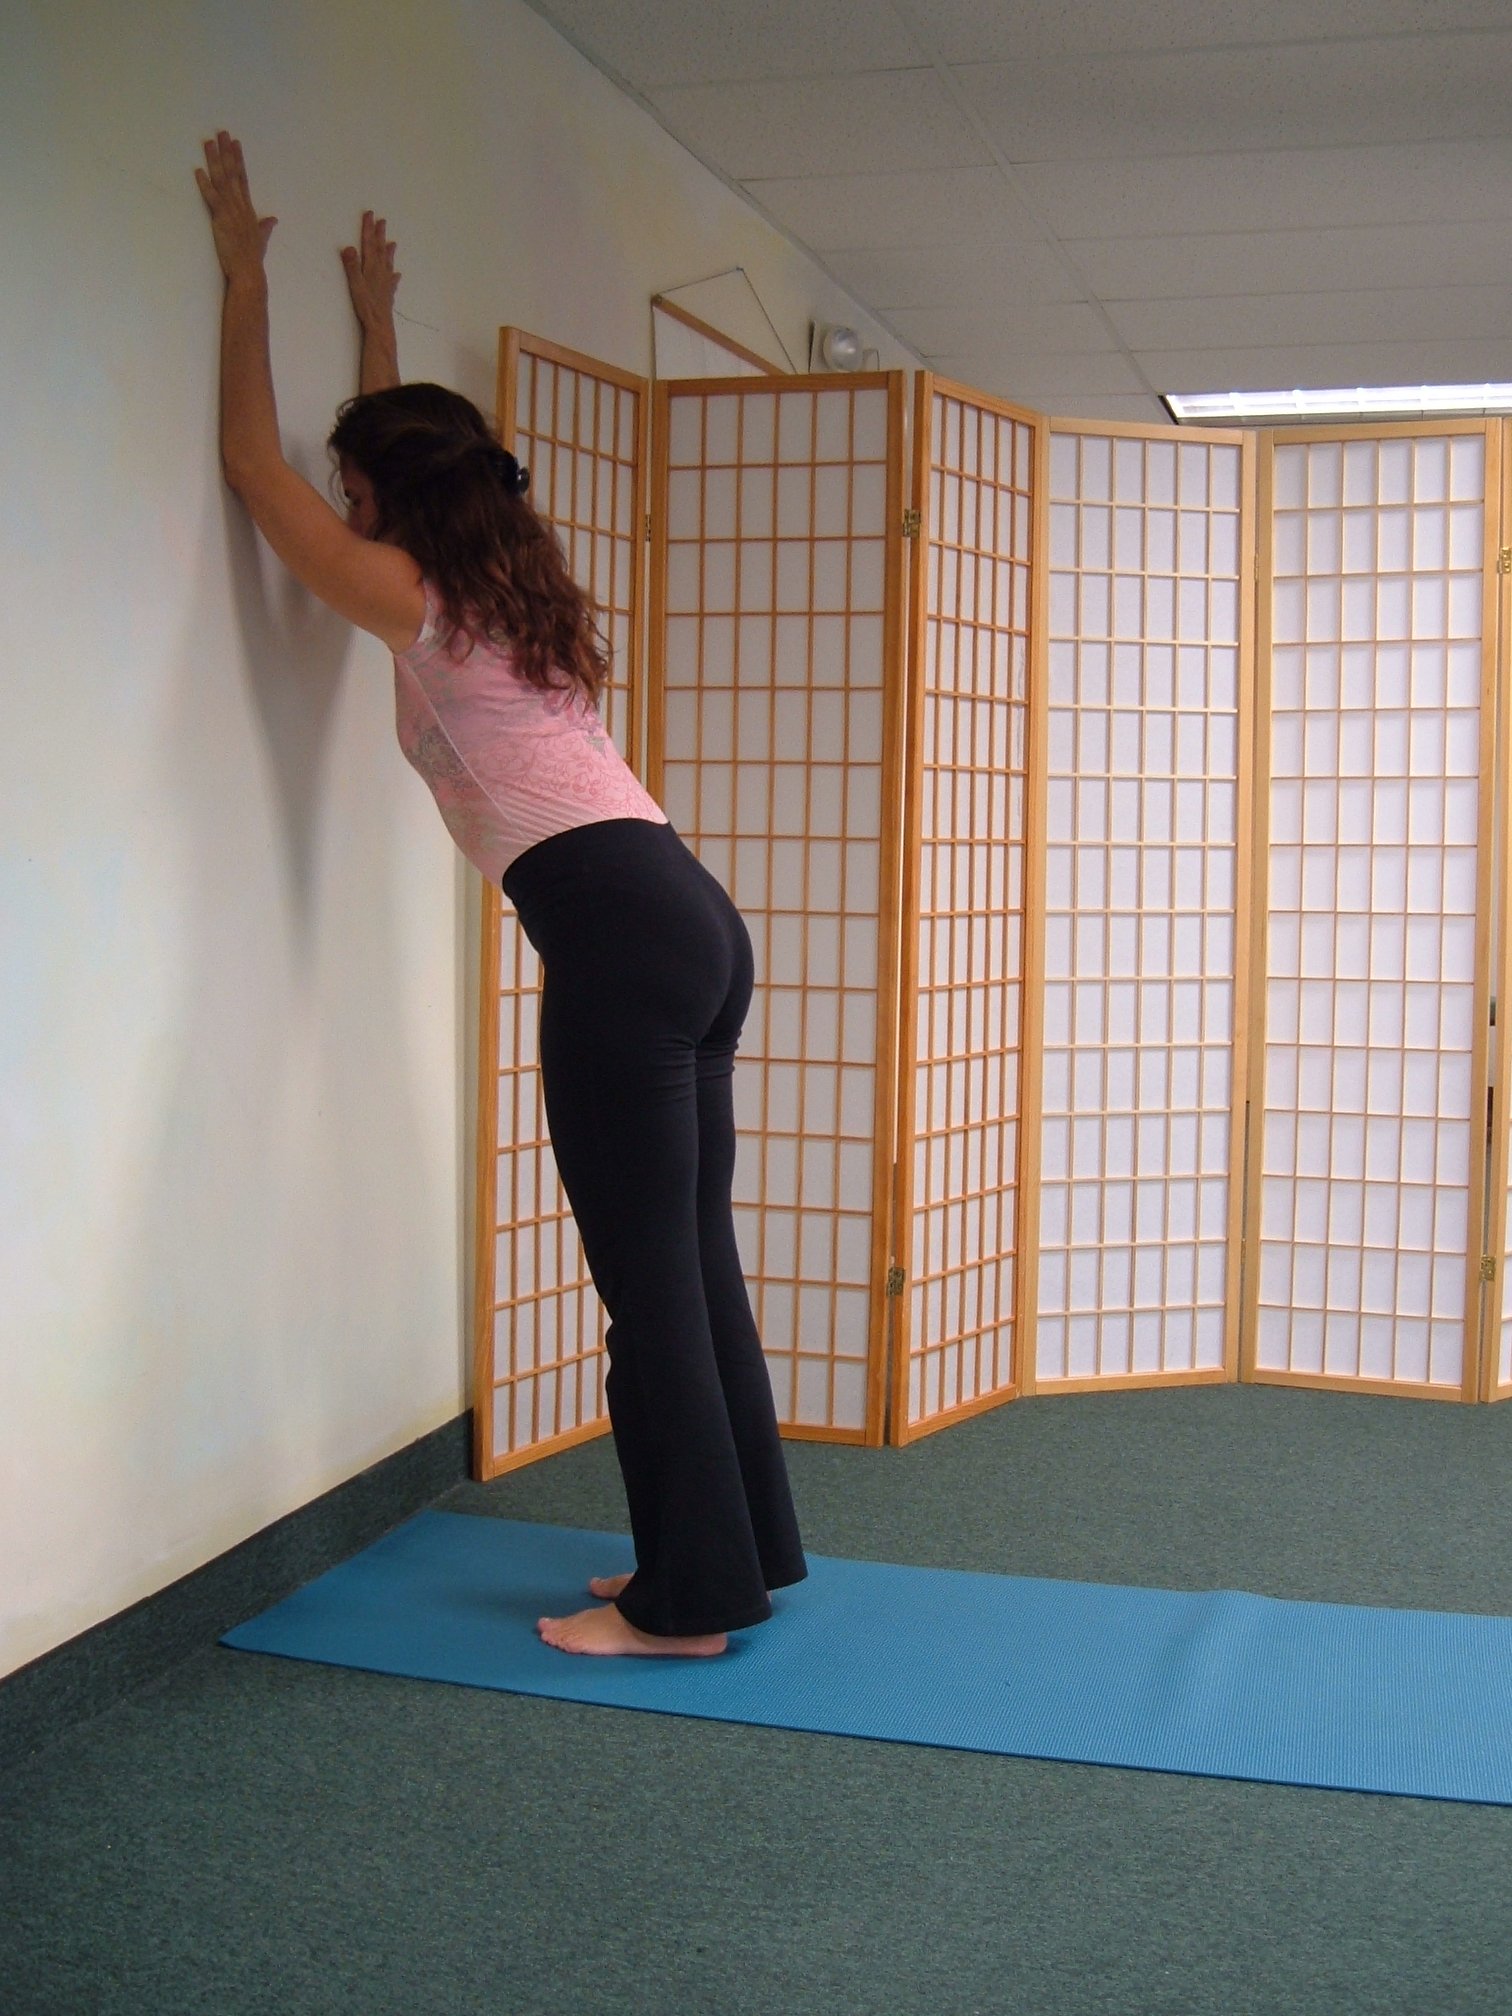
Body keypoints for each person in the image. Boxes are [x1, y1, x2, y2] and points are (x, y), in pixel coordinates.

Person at [195, 132, 806, 1657]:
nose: (339, 499)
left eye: (361, 482)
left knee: (645, 1281)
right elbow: (393, 458)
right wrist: (382, 330)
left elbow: (257, 469)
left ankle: (688, 1604)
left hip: (613, 930)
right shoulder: (498, 577)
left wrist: (245, 277)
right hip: (686, 916)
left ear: (382, 497)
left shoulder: (406, 596)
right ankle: (742, 1555)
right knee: (691, 1265)